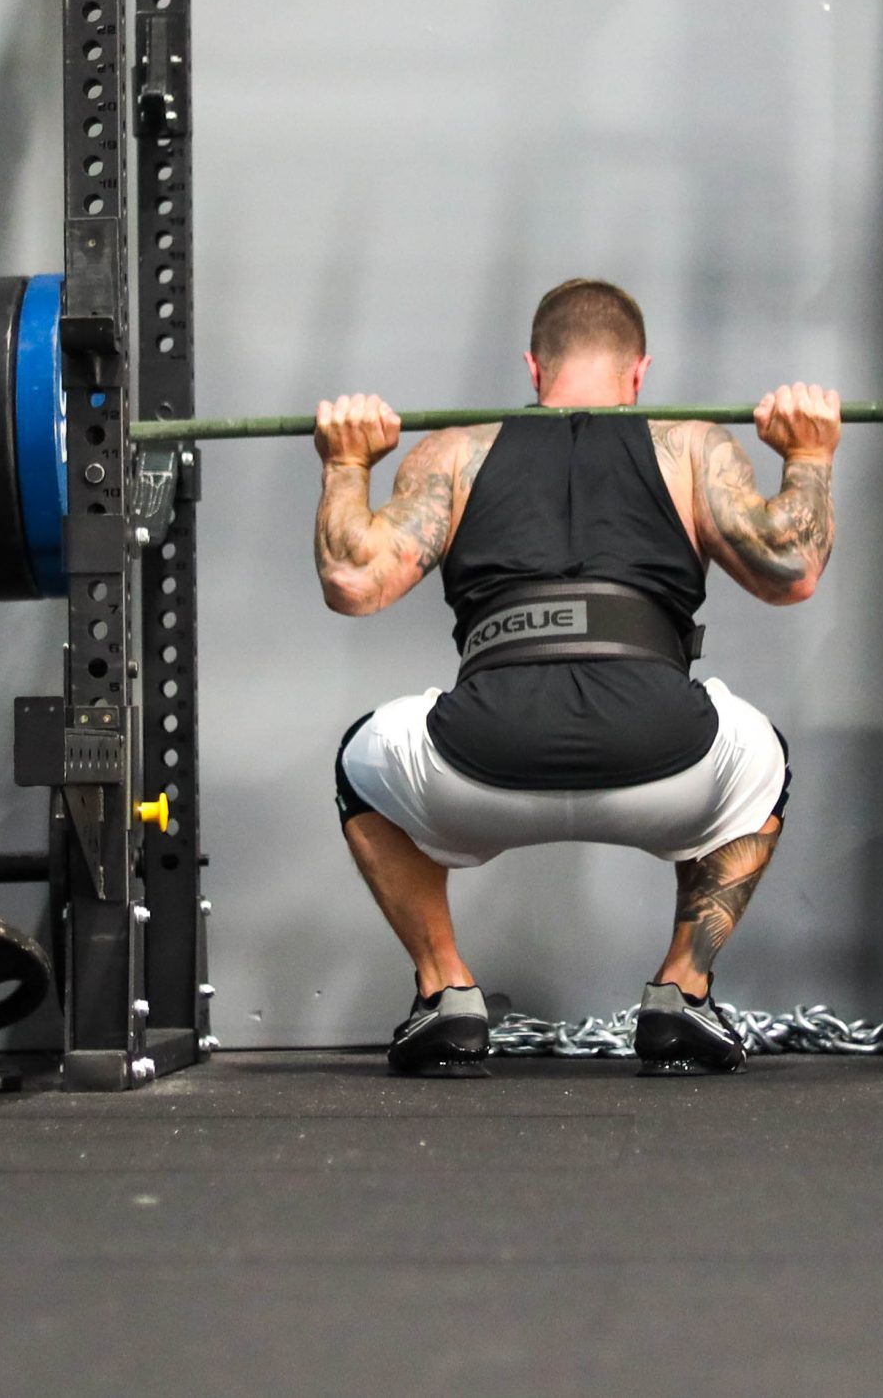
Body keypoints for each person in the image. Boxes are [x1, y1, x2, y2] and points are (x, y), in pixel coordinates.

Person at [315, 278, 840, 1076]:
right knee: (760, 755)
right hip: (665, 756)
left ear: (534, 368)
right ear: (640, 371)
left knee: (364, 754)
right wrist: (808, 453)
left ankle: (444, 989)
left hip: (480, 759)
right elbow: (792, 567)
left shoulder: (454, 453)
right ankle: (683, 991)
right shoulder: (690, 447)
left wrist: (346, 462)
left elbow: (352, 581)